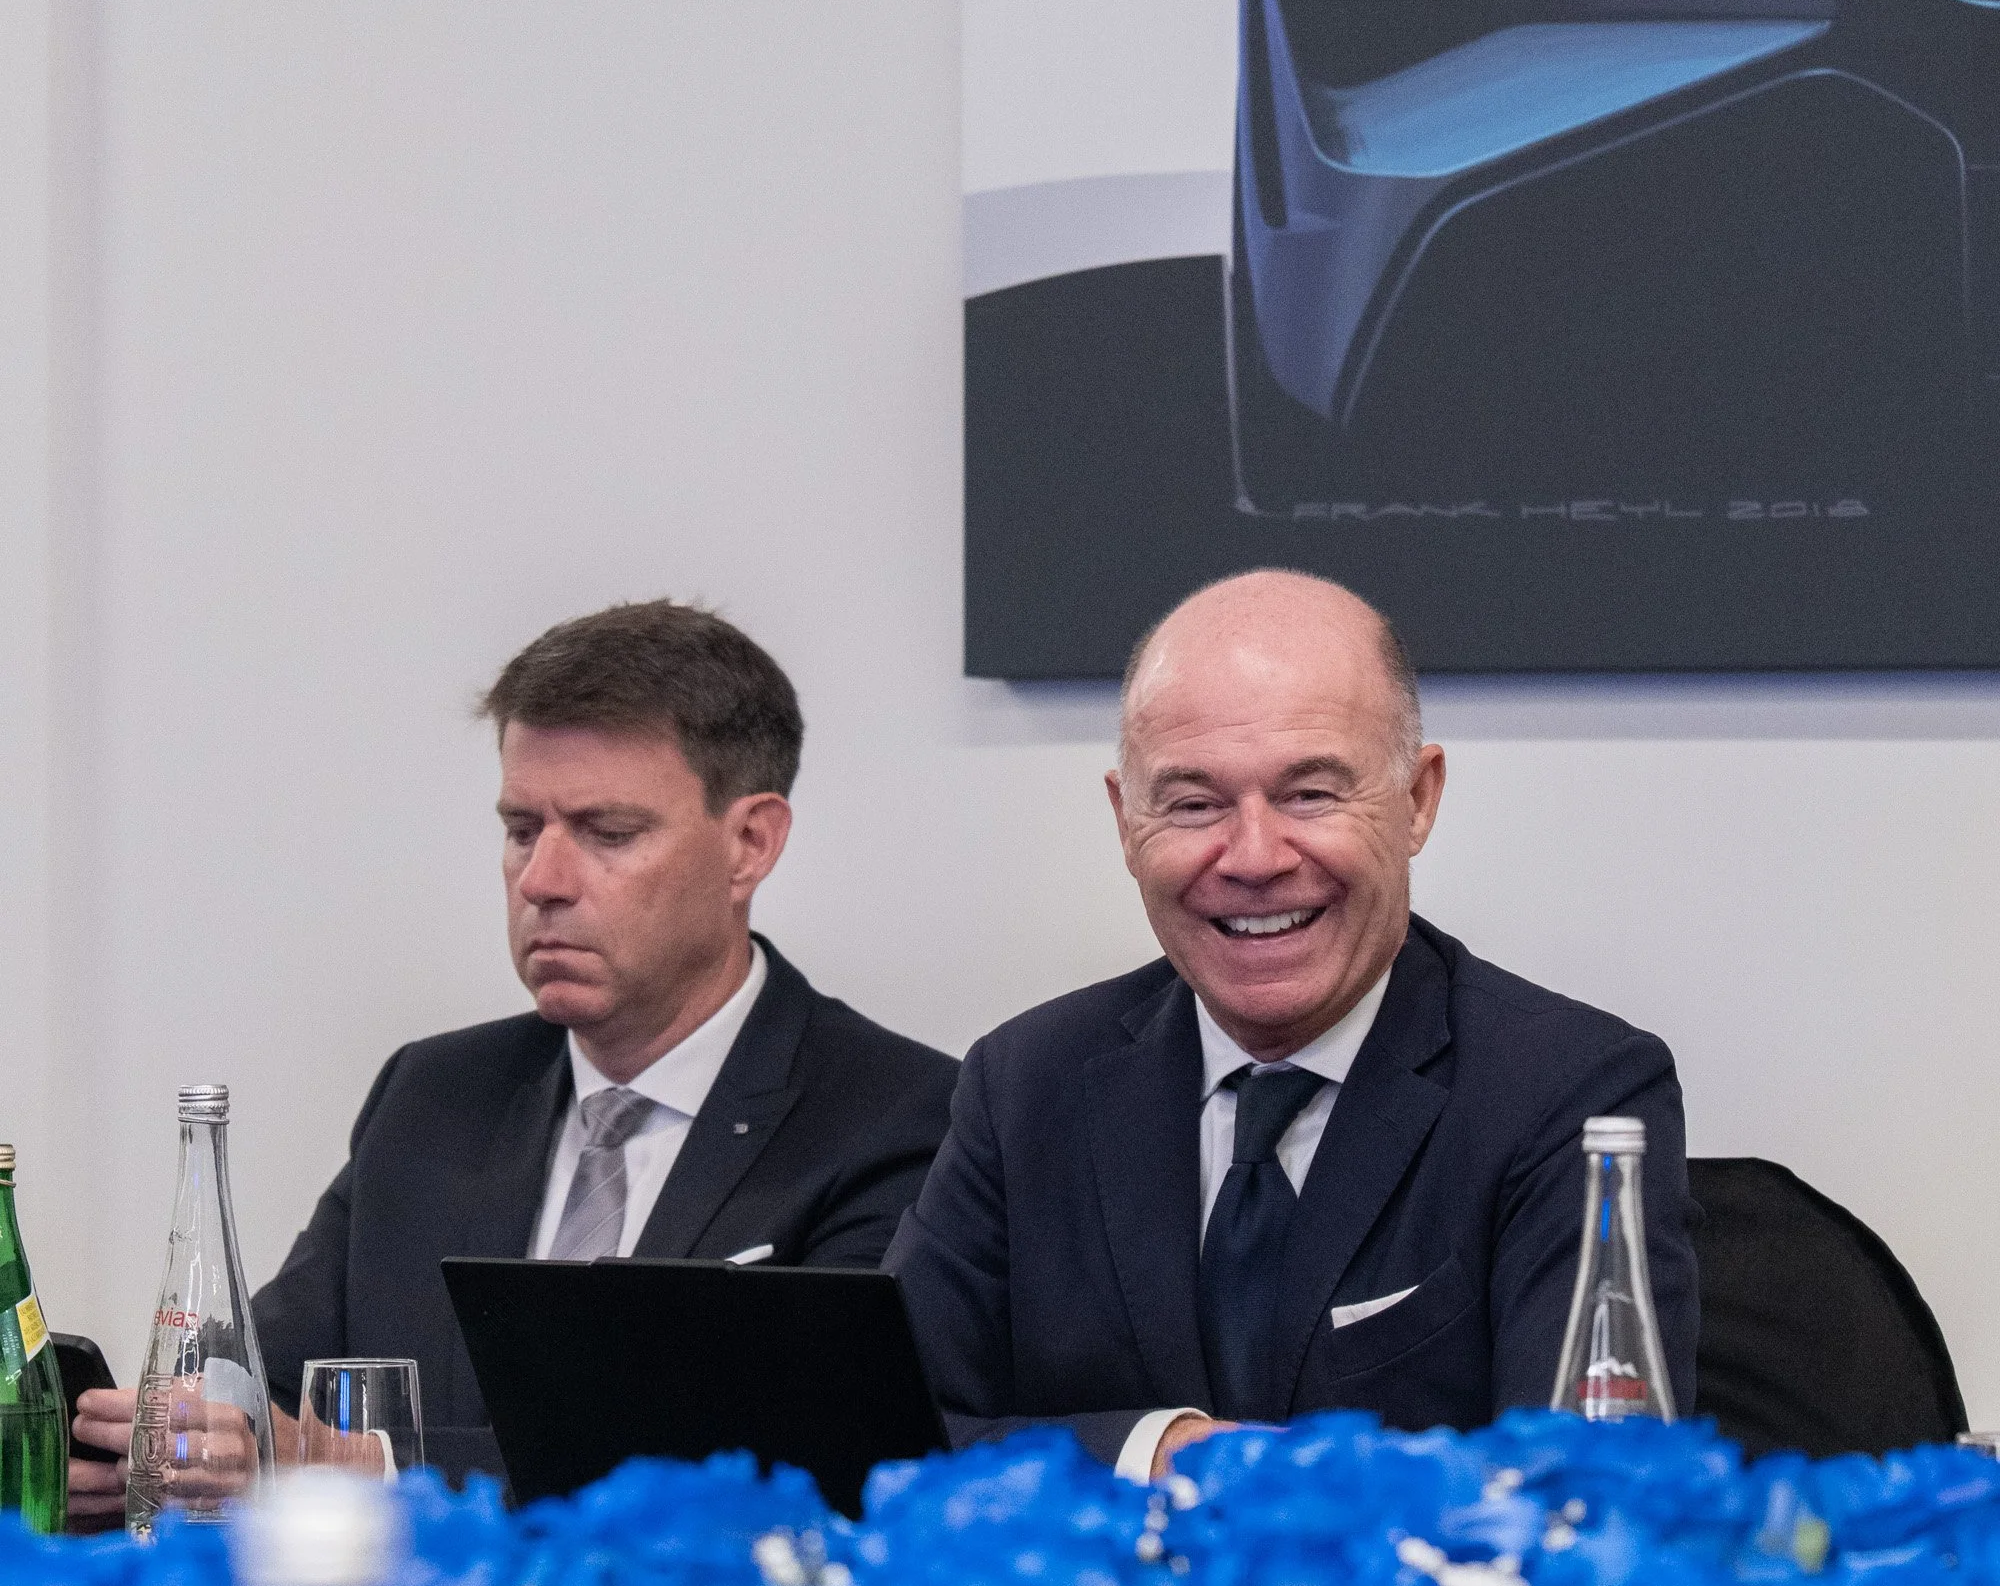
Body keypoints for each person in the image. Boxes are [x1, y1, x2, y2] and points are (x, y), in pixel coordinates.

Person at [72, 599, 958, 1512]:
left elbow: (809, 1463)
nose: (543, 882)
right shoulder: (436, 1094)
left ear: (750, 843)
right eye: (522, 829)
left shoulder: (896, 1117)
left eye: (608, 833)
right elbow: (266, 1390)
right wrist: (157, 1444)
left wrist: (355, 1465)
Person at [890, 568, 1697, 1482]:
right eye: (1194, 804)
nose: (1254, 857)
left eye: (1310, 794)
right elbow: (880, 1430)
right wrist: (1162, 1454)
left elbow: (1583, 1483)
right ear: (1126, 821)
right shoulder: (1024, 1085)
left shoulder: (1567, 1092)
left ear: (1419, 799)